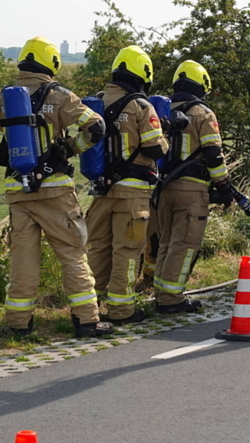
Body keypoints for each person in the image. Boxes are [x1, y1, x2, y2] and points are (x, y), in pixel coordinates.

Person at [0, 36, 114, 339]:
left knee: (23, 261)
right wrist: (70, 148)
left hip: (17, 191)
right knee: (72, 253)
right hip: (56, 190)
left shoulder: (0, 100)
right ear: (52, 63)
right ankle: (87, 321)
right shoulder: (61, 97)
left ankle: (18, 324)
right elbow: (96, 127)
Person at [85, 46, 168, 325]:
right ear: (143, 74)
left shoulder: (96, 103)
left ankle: (88, 309)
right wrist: (166, 133)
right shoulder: (141, 106)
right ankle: (122, 311)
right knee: (127, 251)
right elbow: (155, 149)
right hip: (132, 193)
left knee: (98, 249)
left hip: (100, 191)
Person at [153, 60, 231, 313]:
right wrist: (223, 185)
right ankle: (171, 299)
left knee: (166, 243)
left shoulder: (163, 110)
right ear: (202, 86)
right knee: (185, 244)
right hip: (192, 190)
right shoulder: (203, 114)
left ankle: (161, 294)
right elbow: (213, 155)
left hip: (164, 189)